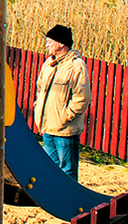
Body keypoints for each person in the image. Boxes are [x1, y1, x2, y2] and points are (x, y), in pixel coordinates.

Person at [34, 24, 91, 181]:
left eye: (50, 42)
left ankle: (69, 196)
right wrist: (38, 106)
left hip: (65, 130)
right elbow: (40, 88)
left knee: (67, 170)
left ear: (61, 43)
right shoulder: (49, 64)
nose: (47, 45)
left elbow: (82, 97)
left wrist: (66, 117)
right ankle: (52, 194)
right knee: (50, 168)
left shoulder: (76, 65)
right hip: (47, 126)